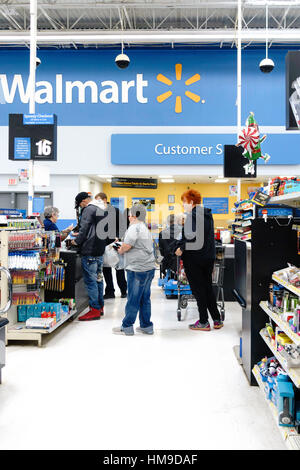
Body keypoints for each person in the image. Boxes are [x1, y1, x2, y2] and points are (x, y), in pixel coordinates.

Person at [175, 189, 223, 332]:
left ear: (191, 202)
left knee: (198, 290)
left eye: (184, 202)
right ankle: (216, 319)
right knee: (207, 288)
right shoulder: (207, 215)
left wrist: (181, 248)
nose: (183, 205)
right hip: (208, 257)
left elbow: (192, 237)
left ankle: (203, 321)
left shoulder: (192, 216)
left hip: (194, 258)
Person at [112, 204, 156, 336]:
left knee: (133, 298)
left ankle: (127, 326)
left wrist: (120, 249)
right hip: (148, 267)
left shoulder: (134, 228)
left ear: (134, 215)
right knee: (144, 298)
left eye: (130, 214)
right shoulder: (144, 228)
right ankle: (146, 326)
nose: (129, 216)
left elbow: (127, 246)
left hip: (137, 269)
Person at [72, 193, 107, 321]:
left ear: (84, 201)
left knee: (91, 281)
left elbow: (84, 228)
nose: (81, 207)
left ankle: (94, 310)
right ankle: (100, 306)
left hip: (89, 250)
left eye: (80, 204)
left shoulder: (88, 210)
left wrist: (76, 241)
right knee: (98, 279)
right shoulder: (101, 210)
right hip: (100, 250)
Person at [95, 192, 127, 299]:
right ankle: (109, 291)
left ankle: (123, 290)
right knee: (106, 269)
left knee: (119, 268)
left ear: (105, 200)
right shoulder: (97, 212)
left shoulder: (115, 211)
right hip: (102, 244)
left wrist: (118, 236)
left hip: (114, 244)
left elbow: (122, 226)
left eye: (98, 200)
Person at [159, 214, 182, 278]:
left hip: (167, 261)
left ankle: (168, 275)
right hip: (180, 260)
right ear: (177, 221)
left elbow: (161, 251)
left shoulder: (162, 233)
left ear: (168, 222)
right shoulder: (183, 231)